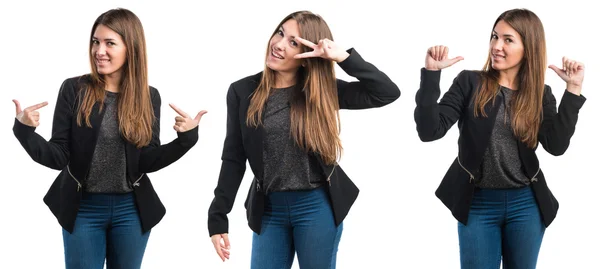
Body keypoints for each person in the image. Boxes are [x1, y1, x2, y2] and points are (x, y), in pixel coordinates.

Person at [12, 8, 206, 269]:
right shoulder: (74, 89)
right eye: (95, 42)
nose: (99, 51)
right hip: (83, 209)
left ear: (131, 48)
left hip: (131, 211)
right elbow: (59, 156)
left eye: (109, 43)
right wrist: (24, 131)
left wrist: (186, 140)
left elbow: (147, 160)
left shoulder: (149, 97)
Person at [207, 10, 400, 269]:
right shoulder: (242, 91)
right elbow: (233, 157)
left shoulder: (322, 90)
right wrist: (218, 215)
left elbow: (386, 93)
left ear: (307, 56)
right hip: (269, 209)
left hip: (316, 207)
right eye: (280, 33)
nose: (279, 45)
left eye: (293, 42)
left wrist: (342, 57)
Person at [414, 8, 586, 269]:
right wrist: (431, 74)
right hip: (478, 203)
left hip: (525, 204)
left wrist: (573, 90)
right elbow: (429, 131)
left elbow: (557, 146)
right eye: (495, 37)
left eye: (508, 40)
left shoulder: (540, 94)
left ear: (528, 48)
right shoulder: (469, 82)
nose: (496, 46)